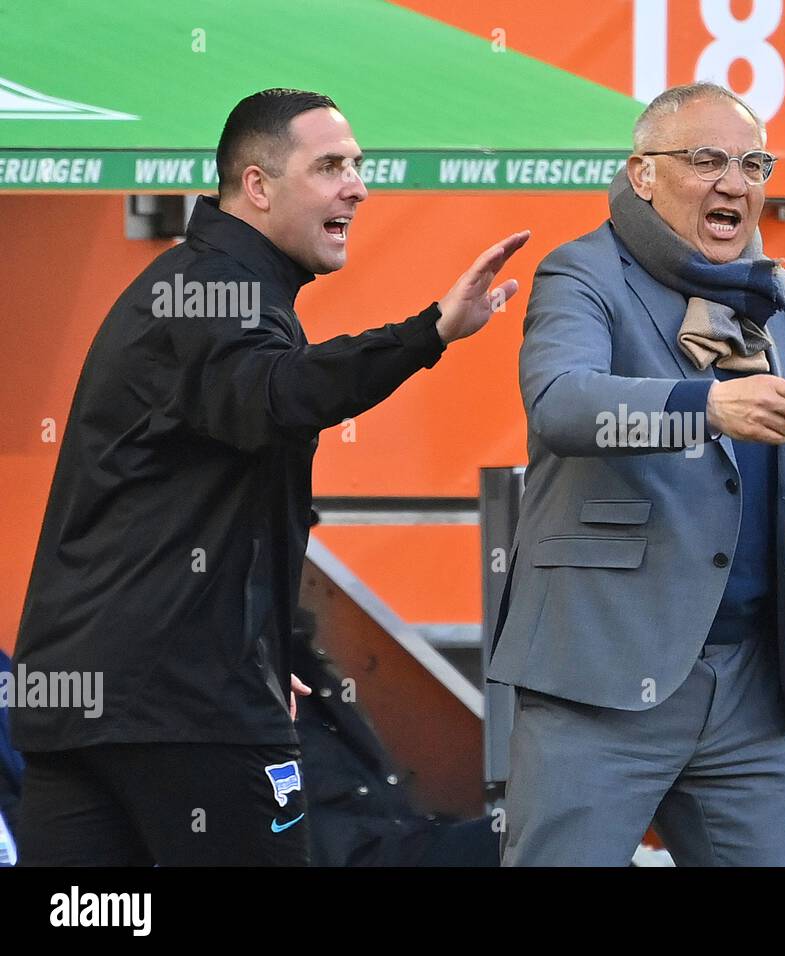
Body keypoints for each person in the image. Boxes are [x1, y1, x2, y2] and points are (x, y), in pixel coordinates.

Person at [11, 88, 528, 865]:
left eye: (358, 166)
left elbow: (197, 504)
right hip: (183, 711)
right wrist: (429, 333)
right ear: (257, 186)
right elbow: (277, 397)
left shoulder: (191, 286)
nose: (357, 185)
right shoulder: (216, 289)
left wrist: (258, 647)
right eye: (330, 167)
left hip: (82, 708)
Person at [488, 82, 785, 866]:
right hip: (599, 678)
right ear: (642, 174)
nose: (735, 182)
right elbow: (562, 405)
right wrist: (707, 406)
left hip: (748, 691)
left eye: (753, 163)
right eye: (705, 160)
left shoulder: (783, 296)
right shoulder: (582, 274)